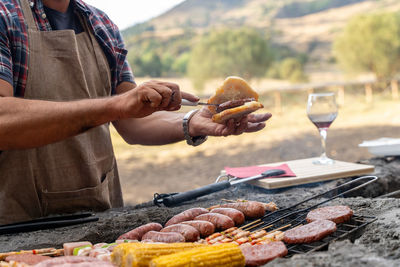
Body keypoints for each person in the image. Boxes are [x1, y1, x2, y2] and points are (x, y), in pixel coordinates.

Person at [0, 0, 272, 225]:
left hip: (98, 218)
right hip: (18, 223)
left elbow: (133, 121)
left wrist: (193, 122)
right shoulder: (5, 15)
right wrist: (115, 105)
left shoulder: (100, 23)